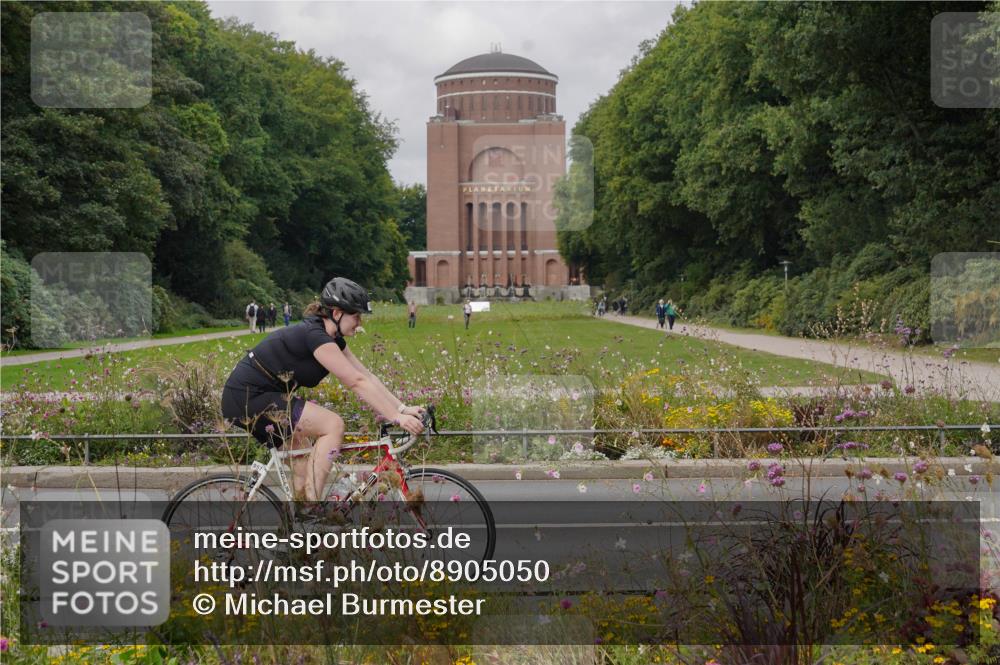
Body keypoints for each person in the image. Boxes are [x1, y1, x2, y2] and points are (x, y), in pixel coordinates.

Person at [221, 277, 425, 502]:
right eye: (356, 316)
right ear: (336, 313)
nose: (360, 323)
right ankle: (312, 509)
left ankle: (302, 517)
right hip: (248, 396)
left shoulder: (331, 339)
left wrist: (402, 408)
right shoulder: (315, 336)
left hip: (258, 396)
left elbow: (366, 376)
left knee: (302, 462)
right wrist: (396, 417)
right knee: (332, 424)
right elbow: (355, 381)